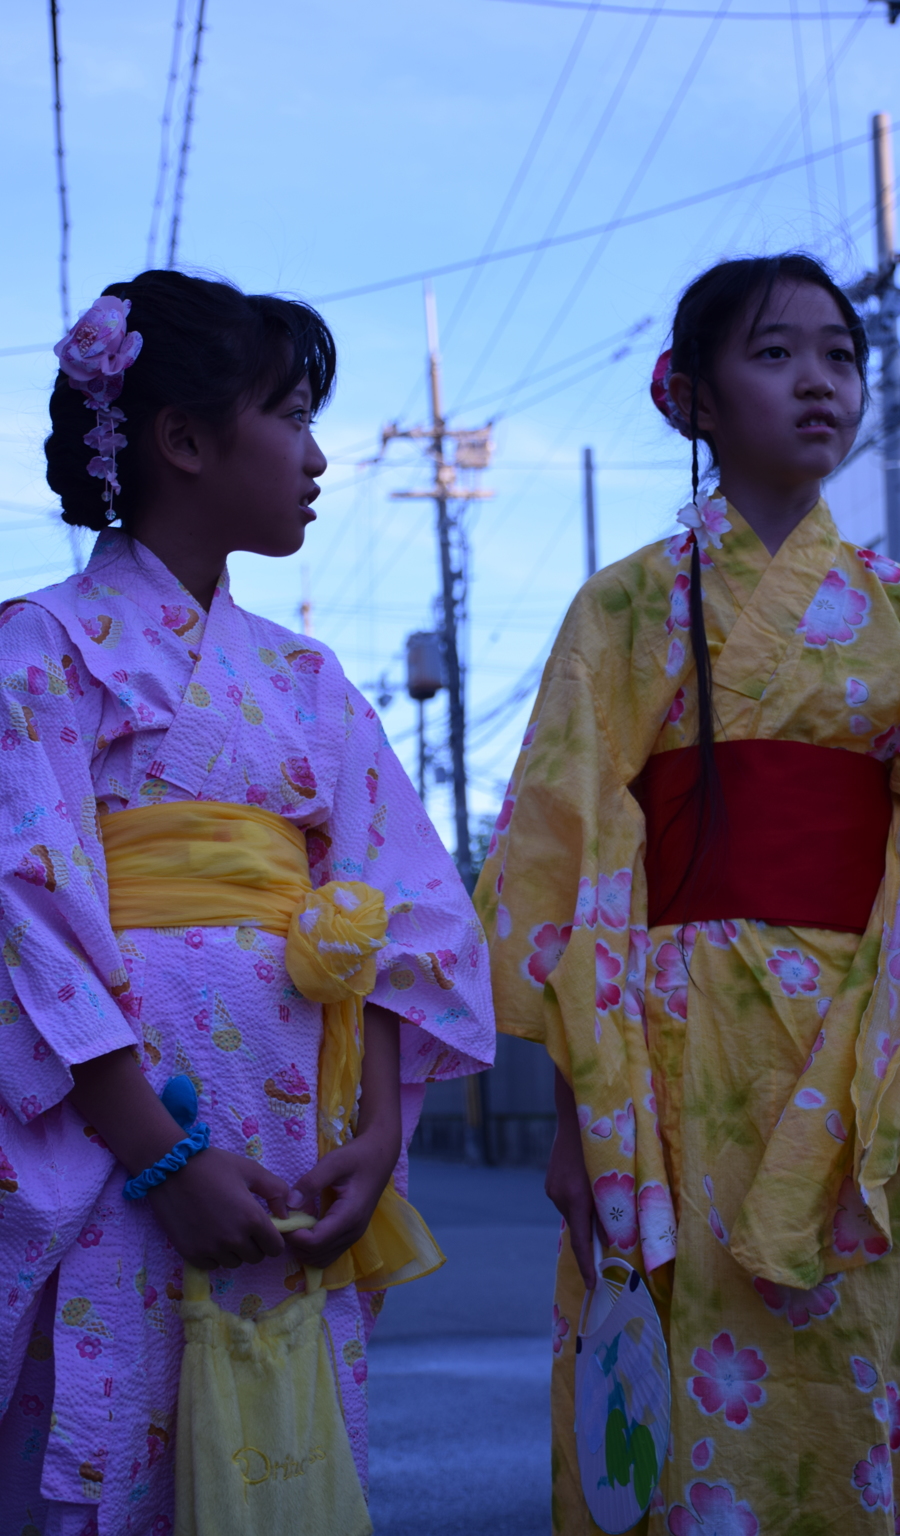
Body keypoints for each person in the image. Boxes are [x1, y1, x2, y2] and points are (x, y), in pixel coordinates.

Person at [474, 253, 900, 1535]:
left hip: (872, 1055)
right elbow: (565, 861)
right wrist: (570, 1118)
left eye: (838, 354)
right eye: (773, 356)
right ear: (695, 399)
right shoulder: (621, 610)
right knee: (668, 1381)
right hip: (665, 1057)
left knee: (858, 1377)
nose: (817, 382)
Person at [0, 270, 495, 1535]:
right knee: (110, 1442)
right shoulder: (39, 651)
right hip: (113, 1135)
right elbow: (26, 908)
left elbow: (399, 912)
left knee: (281, 1450)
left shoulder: (311, 679)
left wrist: (378, 1140)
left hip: (294, 1136)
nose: (318, 454)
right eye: (291, 415)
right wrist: (156, 1151)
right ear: (182, 439)